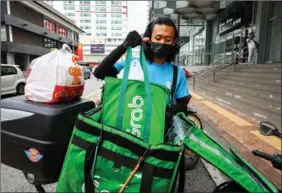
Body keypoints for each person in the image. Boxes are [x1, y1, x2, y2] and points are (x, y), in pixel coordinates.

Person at [94, 17, 191, 114]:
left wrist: (162, 111)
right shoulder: (132, 64)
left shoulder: (178, 73)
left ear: (174, 42)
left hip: (158, 128)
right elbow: (99, 73)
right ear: (149, 39)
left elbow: (182, 107)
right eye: (158, 38)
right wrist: (124, 46)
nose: (162, 42)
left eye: (168, 39)